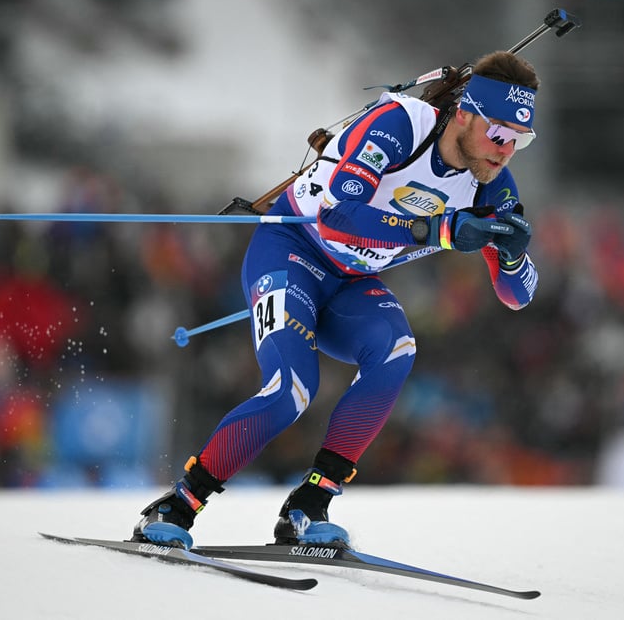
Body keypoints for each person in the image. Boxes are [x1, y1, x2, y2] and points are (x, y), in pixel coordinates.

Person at [132, 50, 541, 549]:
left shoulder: (492, 185)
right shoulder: (401, 125)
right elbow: (337, 216)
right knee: (292, 390)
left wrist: (516, 256)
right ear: (465, 112)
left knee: (397, 350)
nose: (505, 151)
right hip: (290, 252)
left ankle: (309, 505)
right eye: (498, 134)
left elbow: (517, 297)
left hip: (349, 281)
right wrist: (443, 229)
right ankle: (178, 504)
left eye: (520, 139)